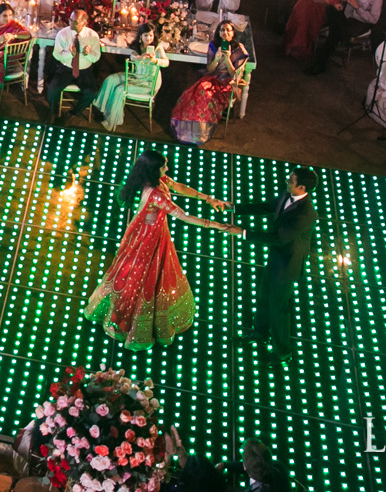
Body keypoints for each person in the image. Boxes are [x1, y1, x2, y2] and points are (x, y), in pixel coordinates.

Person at [84, 150, 236, 349]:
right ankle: (129, 324)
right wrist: (219, 226)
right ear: (153, 169)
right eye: (164, 166)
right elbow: (183, 215)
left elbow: (177, 186)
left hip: (154, 232)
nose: (168, 169)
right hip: (147, 241)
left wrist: (208, 198)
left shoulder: (154, 178)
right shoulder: (155, 195)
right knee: (139, 279)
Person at [239, 167, 317, 362]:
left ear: (301, 187)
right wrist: (234, 208)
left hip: (288, 264)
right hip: (277, 257)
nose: (286, 182)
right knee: (264, 296)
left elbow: (279, 238)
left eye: (291, 180)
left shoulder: (306, 214)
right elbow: (266, 206)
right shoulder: (287, 195)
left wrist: (242, 233)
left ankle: (283, 352)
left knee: (278, 308)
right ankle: (260, 332)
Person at [170, 23, 245, 145]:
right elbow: (210, 69)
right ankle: (187, 133)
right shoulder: (214, 45)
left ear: (233, 33)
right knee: (193, 93)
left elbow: (234, 75)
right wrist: (216, 58)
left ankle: (200, 134)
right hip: (212, 78)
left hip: (227, 83)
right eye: (222, 30)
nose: (225, 33)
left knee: (205, 96)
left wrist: (227, 58)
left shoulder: (239, 49)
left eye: (228, 30)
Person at [95, 26, 169, 131]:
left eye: (151, 35)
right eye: (146, 35)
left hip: (149, 83)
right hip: (136, 76)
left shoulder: (157, 48)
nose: (148, 38)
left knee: (120, 90)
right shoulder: (137, 47)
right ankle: (102, 108)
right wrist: (139, 57)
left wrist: (155, 60)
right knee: (111, 79)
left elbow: (166, 62)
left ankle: (112, 120)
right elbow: (133, 57)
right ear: (141, 36)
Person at [45, 9, 104, 122]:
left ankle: (74, 113)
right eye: (70, 20)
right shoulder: (62, 34)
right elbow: (56, 55)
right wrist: (69, 54)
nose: (71, 23)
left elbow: (96, 58)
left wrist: (87, 54)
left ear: (84, 23)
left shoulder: (92, 36)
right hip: (65, 68)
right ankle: (53, 111)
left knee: (91, 93)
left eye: (75, 22)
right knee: (52, 89)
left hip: (84, 70)